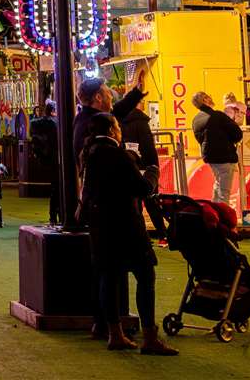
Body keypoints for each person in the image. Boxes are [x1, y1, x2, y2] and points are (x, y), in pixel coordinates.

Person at [79, 112, 177, 355]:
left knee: (108, 278)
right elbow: (142, 188)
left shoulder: (89, 153)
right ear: (113, 130)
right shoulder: (117, 155)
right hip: (126, 225)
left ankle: (114, 332)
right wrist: (153, 171)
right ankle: (150, 337)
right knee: (145, 276)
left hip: (100, 225)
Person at [118, 101, 165, 234]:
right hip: (145, 165)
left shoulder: (119, 121)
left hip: (128, 164)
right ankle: (162, 233)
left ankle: (139, 232)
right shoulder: (141, 122)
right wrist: (154, 167)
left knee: (134, 202)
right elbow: (148, 146)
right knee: (151, 200)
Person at [192, 91, 243, 208]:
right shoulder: (218, 115)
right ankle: (223, 218)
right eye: (209, 96)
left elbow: (199, 138)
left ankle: (214, 213)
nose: (211, 97)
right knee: (224, 192)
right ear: (205, 100)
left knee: (218, 186)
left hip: (210, 158)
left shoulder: (196, 119)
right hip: (225, 156)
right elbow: (237, 134)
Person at [28, 102, 61, 224]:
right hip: (57, 158)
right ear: (53, 110)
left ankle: (53, 216)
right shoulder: (55, 123)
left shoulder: (38, 124)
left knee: (54, 188)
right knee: (59, 188)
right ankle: (58, 214)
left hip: (47, 159)